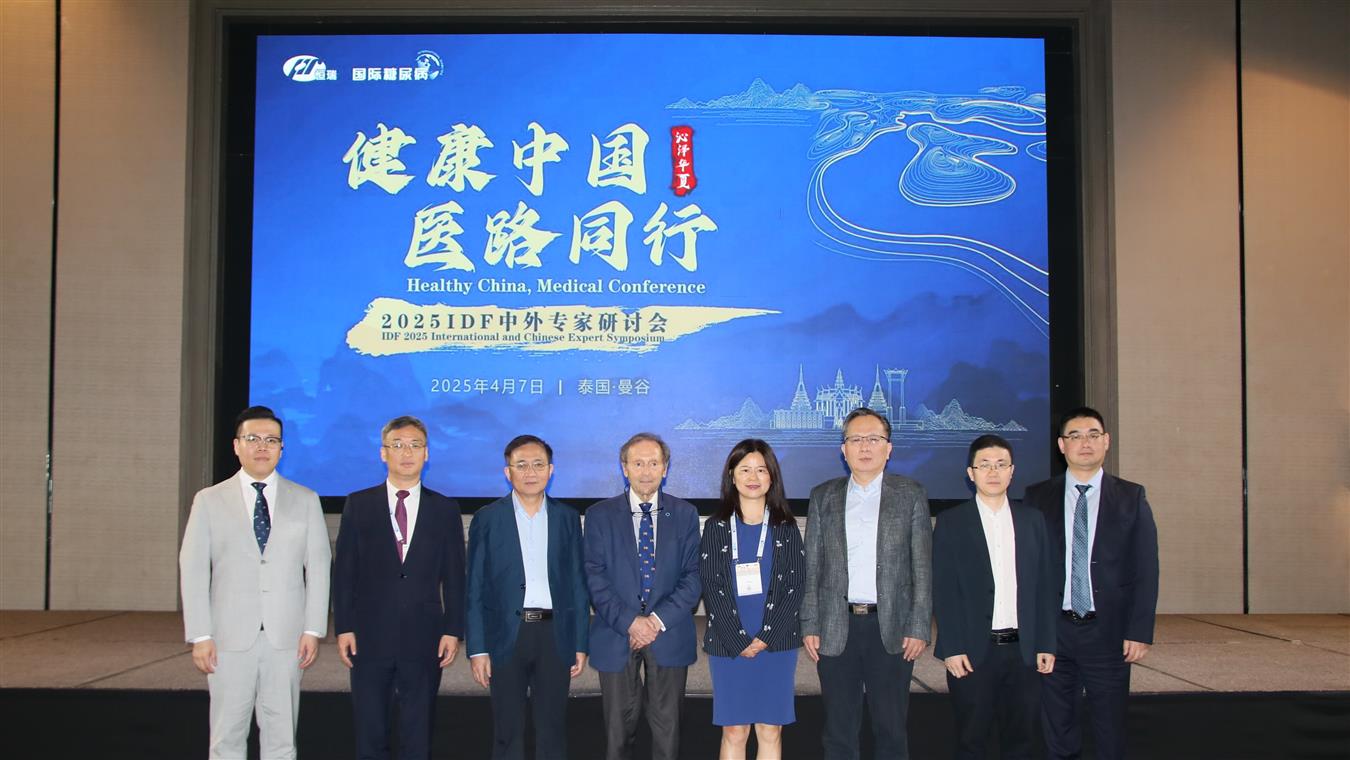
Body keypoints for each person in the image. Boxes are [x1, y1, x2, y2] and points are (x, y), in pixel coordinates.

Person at [179, 405, 331, 759]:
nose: (262, 446)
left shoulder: (306, 500)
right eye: (253, 439)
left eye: (271, 440)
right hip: (227, 638)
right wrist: (200, 635)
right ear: (236, 446)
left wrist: (313, 629)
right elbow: (194, 567)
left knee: (282, 738)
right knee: (226, 737)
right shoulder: (209, 500)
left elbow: (319, 566)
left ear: (282, 448)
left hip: (287, 638)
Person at [1022, 407, 1159, 760]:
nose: (1085, 443)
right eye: (1075, 436)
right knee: (1058, 728)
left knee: (1110, 729)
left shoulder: (1131, 497)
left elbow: (1146, 569)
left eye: (1093, 435)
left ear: (1106, 441)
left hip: (1108, 633)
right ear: (1061, 445)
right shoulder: (1037, 497)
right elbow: (1027, 569)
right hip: (1055, 632)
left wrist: (1140, 630)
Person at [801, 406, 932, 760]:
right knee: (839, 730)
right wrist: (810, 623)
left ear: (889, 448)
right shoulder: (823, 496)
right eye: (856, 439)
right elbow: (812, 566)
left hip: (891, 628)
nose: (864, 447)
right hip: (836, 626)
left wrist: (919, 625)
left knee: (891, 728)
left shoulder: (911, 494)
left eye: (874, 439)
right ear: (843, 449)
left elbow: (922, 566)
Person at [332, 415, 466, 760]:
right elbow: (344, 572)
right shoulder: (359, 504)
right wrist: (343, 626)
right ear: (383, 453)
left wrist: (453, 629)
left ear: (427, 453)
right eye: (398, 445)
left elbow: (455, 575)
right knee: (370, 731)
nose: (407, 453)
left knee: (418, 731)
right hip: (369, 635)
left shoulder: (445, 509)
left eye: (415, 445)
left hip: (425, 636)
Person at [932, 434, 1057, 760]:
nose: (993, 472)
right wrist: (952, 647)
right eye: (984, 465)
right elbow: (943, 590)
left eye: (1001, 465)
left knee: (1022, 741)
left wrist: (1046, 643)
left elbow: (1045, 585)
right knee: (972, 741)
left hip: (1024, 652)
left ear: (1012, 471)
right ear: (970, 473)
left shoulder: (1032, 520)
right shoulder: (951, 522)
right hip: (974, 653)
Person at [466, 434, 589, 760]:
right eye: (521, 465)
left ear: (551, 470)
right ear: (508, 472)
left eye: (538, 464)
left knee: (552, 729)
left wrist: (580, 642)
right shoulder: (487, 518)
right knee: (508, 731)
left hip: (554, 635)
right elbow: (474, 586)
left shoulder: (567, 518)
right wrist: (477, 648)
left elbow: (578, 583)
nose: (530, 472)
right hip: (506, 635)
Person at [584, 433, 702, 760]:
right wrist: (630, 622)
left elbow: (694, 576)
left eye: (653, 463)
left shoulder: (685, 514)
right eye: (638, 463)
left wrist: (655, 621)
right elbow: (594, 576)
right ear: (624, 468)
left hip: (669, 632)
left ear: (665, 468)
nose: (646, 471)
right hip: (615, 633)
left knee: (668, 736)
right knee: (617, 736)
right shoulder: (599, 515)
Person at [699, 439, 805, 759]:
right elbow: (712, 586)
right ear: (732, 476)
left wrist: (765, 637)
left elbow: (795, 586)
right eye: (745, 469)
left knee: (771, 729)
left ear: (772, 477)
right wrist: (738, 640)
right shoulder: (716, 527)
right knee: (734, 730)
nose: (753, 477)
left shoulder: (786, 527)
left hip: (777, 643)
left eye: (761, 469)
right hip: (728, 644)